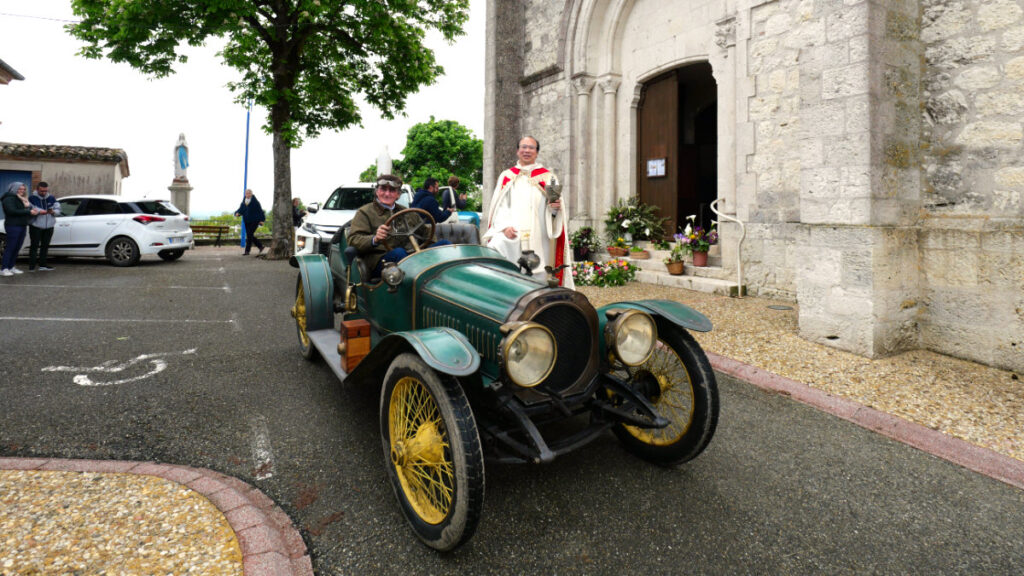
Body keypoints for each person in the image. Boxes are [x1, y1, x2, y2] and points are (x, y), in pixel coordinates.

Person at [483, 136, 574, 288]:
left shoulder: (548, 177)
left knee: (540, 269)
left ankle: (539, 298)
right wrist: (504, 227)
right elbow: (500, 206)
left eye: (531, 148)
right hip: (513, 231)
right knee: (496, 246)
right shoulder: (507, 176)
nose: (527, 150)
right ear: (518, 151)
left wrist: (554, 209)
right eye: (523, 147)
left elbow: (554, 210)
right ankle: (504, 291)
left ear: (537, 152)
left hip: (539, 232)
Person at [348, 174, 450, 279]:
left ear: (398, 195)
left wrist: (429, 250)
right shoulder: (365, 212)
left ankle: (447, 281)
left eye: (392, 190)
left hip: (412, 257)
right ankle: (421, 281)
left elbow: (426, 231)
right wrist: (375, 238)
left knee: (445, 245)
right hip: (382, 262)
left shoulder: (407, 212)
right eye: (383, 189)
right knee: (399, 253)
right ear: (377, 192)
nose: (387, 194)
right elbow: (353, 239)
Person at [1, 182, 42, 276]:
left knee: (17, 247)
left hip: (22, 225)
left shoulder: (21, 199)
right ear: (13, 189)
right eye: (20, 189)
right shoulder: (9, 198)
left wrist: (32, 211)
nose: (22, 191)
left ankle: (11, 267)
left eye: (23, 189)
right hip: (13, 225)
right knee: (10, 247)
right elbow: (11, 211)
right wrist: (28, 212)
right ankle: (4, 268)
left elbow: (26, 208)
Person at [28, 181, 60, 271]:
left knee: (45, 246)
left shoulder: (52, 198)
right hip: (36, 226)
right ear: (37, 189)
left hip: (49, 226)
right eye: (42, 191)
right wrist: (40, 211)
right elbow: (31, 208)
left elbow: (58, 209)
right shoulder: (32, 198)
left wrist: (54, 212)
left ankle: (43, 265)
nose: (44, 193)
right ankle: (32, 266)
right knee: (34, 246)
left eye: (46, 191)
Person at [234, 188, 265, 255]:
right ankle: (260, 246)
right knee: (250, 235)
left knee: (249, 234)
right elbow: (240, 210)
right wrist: (236, 213)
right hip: (247, 221)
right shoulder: (243, 202)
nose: (247, 194)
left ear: (251, 194)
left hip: (255, 220)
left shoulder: (256, 202)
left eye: (249, 193)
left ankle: (247, 251)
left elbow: (260, 211)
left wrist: (262, 220)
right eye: (246, 193)